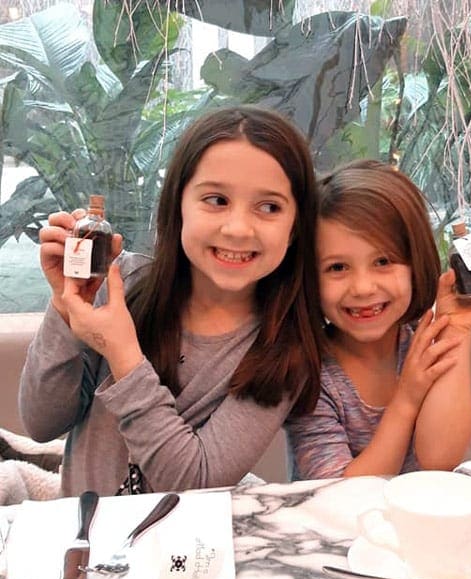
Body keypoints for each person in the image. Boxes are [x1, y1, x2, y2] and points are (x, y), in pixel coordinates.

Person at [19, 106, 323, 497]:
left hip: (186, 550)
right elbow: (41, 423)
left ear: (296, 225)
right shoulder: (121, 283)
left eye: (269, 207)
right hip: (87, 533)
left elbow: (194, 481)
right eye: (216, 200)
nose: (237, 228)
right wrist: (65, 304)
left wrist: (123, 354)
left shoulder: (285, 350)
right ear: (178, 204)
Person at [286, 160, 471, 479]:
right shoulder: (307, 371)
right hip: (338, 526)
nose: (363, 288)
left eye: (382, 261)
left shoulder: (424, 343)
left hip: (415, 524)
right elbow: (342, 495)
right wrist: (406, 399)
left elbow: (439, 460)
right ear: (308, 278)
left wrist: (457, 330)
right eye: (337, 267)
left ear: (414, 261)